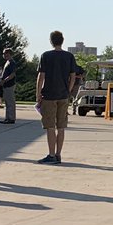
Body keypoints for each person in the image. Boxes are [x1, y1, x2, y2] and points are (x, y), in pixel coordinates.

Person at [35, 31, 78, 164]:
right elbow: (73, 76)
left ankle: (51, 154)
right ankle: (58, 154)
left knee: (50, 126)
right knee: (61, 126)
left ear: (51, 41)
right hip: (63, 95)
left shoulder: (46, 56)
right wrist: (68, 90)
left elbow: (41, 76)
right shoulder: (69, 56)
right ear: (62, 40)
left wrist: (38, 93)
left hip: (49, 95)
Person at [0, 48, 17, 124]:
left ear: (10, 54)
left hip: (10, 84)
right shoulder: (7, 62)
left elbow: (13, 74)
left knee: (10, 102)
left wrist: (4, 80)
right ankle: (7, 117)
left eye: (6, 53)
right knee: (7, 102)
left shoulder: (12, 63)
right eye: (4, 53)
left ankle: (11, 118)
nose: (5, 55)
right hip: (5, 85)